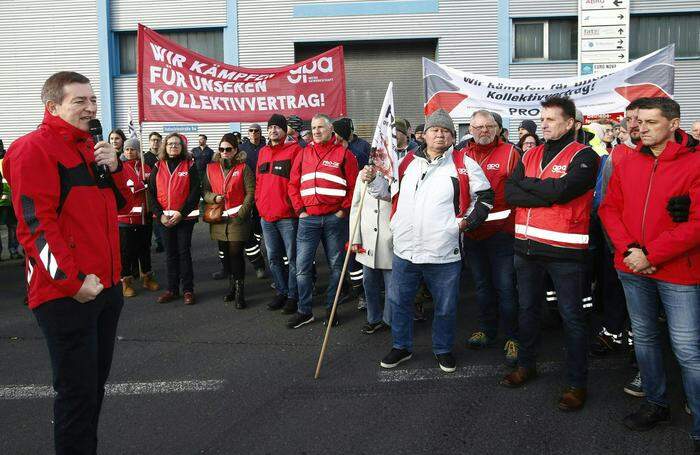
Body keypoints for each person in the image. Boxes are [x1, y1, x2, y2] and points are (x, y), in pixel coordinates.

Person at [2, 71, 132, 454]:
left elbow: (125, 205)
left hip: (105, 289)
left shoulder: (91, 148)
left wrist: (118, 167)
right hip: (68, 295)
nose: (90, 108)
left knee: (91, 391)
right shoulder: (33, 149)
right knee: (77, 397)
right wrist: (72, 283)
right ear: (52, 106)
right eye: (79, 101)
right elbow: (35, 227)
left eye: (92, 100)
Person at [599, 97, 699, 451]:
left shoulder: (696, 162)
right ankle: (656, 404)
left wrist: (651, 255)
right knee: (645, 339)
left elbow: (696, 225)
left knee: (687, 349)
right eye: (638, 121)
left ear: (673, 124)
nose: (640, 127)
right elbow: (609, 208)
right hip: (632, 267)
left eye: (650, 122)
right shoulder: (627, 160)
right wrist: (630, 251)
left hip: (679, 271)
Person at [370, 109, 493, 373]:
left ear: (452, 136)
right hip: (405, 250)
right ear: (423, 135)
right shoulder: (405, 164)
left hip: (444, 253)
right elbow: (388, 194)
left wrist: (462, 225)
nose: (440, 134)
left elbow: (485, 198)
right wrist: (372, 181)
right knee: (399, 303)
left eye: (446, 130)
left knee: (446, 308)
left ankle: (443, 349)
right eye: (435, 130)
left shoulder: (464, 164)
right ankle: (401, 346)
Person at [502, 96, 599, 411]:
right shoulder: (529, 154)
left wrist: (532, 189)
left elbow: (565, 190)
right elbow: (509, 192)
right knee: (527, 310)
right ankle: (526, 365)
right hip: (526, 247)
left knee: (572, 318)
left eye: (550, 119)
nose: (543, 124)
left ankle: (577, 383)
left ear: (570, 123)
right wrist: (546, 194)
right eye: (541, 119)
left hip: (564, 251)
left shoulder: (585, 155)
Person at [287, 113, 359, 328]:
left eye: (321, 127)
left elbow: (354, 187)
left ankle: (331, 308)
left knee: (337, 266)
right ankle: (304, 310)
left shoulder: (344, 154)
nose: (317, 131)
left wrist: (342, 211)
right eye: (314, 127)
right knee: (302, 267)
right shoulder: (303, 153)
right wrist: (300, 210)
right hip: (308, 219)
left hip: (334, 219)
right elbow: (293, 184)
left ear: (331, 130)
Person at [460, 110, 520, 365]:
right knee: (482, 287)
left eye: (489, 126)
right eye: (478, 126)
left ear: (498, 129)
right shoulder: (462, 156)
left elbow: (520, 192)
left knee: (506, 288)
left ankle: (513, 338)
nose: (484, 130)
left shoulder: (511, 153)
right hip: (473, 235)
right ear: (470, 130)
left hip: (502, 235)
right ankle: (487, 330)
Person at [256, 114, 303, 314]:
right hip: (266, 216)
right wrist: (259, 204)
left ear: (285, 130)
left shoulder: (295, 151)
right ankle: (281, 291)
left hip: (287, 217)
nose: (273, 130)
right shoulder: (263, 152)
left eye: (277, 127)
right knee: (274, 257)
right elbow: (259, 181)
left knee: (293, 258)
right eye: (270, 127)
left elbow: (298, 182)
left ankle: (293, 295)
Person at [202, 133, 255, 309]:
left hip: (237, 220)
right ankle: (231, 287)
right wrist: (214, 197)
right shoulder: (211, 169)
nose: (225, 152)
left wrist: (242, 213)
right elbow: (205, 192)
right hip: (218, 219)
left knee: (236, 254)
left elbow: (250, 192)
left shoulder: (244, 168)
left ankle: (240, 292)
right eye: (222, 149)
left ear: (235, 150)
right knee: (225, 254)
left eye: (228, 149)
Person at [148, 132, 200, 305]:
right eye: (170, 143)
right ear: (165, 146)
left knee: (184, 253)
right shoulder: (158, 165)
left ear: (182, 146)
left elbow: (195, 192)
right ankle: (172, 289)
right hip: (164, 219)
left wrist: (181, 213)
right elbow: (151, 194)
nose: (173, 146)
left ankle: (188, 290)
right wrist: (160, 215)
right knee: (170, 255)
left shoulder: (190, 165)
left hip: (184, 219)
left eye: (177, 144)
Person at [118, 138, 160, 297]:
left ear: (138, 151)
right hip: (125, 216)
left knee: (144, 248)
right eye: (127, 149)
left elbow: (154, 186)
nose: (130, 152)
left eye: (133, 149)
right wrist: (139, 185)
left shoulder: (145, 166)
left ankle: (147, 277)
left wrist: (148, 184)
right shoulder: (119, 167)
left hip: (145, 215)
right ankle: (126, 281)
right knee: (126, 251)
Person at [333, 117, 367, 309]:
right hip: (336, 211)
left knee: (354, 253)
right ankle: (344, 288)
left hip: (354, 210)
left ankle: (362, 292)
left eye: (336, 133)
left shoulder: (358, 152)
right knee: (338, 255)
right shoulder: (333, 151)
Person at [0, 139, 22, 260]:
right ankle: (13, 250)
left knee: (13, 227)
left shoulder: (8, 158)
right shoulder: (8, 158)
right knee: (12, 227)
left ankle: (13, 250)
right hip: (9, 199)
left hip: (10, 200)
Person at [144, 132, 164, 253]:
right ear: (149, 141)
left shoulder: (164, 156)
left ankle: (165, 240)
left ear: (161, 141)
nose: (155, 142)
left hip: (164, 191)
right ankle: (159, 242)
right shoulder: (145, 157)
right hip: (151, 191)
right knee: (155, 218)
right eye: (153, 140)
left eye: (157, 140)